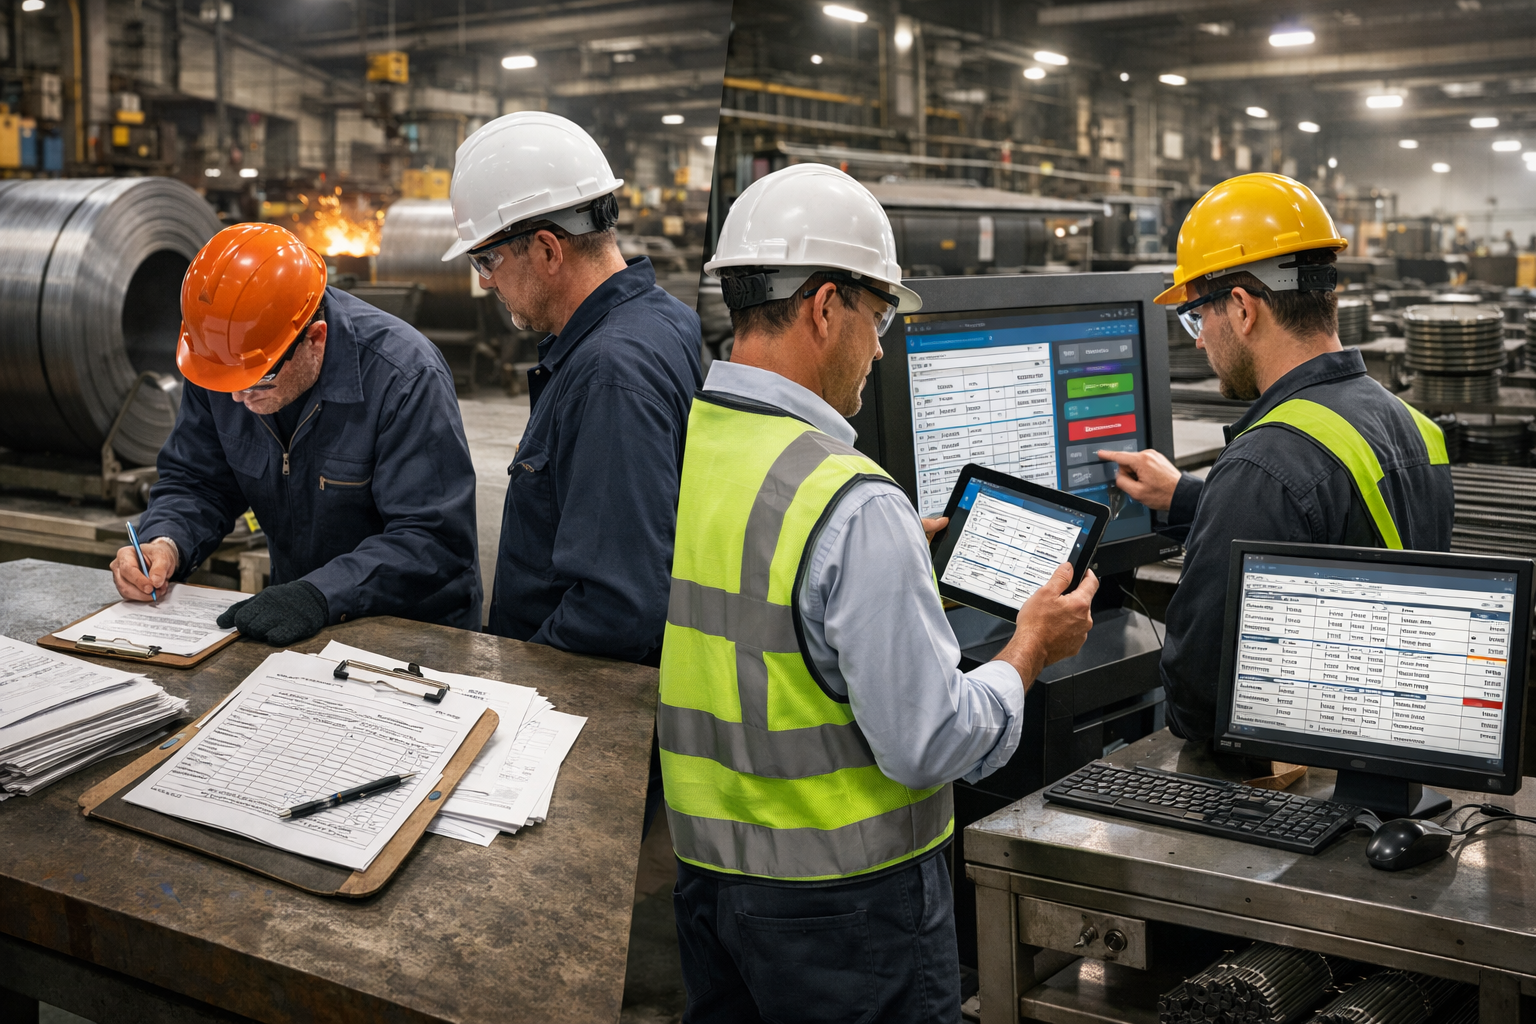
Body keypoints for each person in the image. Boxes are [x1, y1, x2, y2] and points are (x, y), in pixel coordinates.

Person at [661, 164, 1099, 1023]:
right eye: (881, 314)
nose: (884, 343)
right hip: (847, 919)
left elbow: (755, 618)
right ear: (827, 307)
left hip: (711, 891)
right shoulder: (852, 503)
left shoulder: (694, 441)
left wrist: (875, 583)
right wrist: (1029, 648)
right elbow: (931, 744)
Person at [1099, 173, 1455, 744]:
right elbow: (1335, 525)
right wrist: (1191, 497)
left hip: (1299, 770)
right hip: (1386, 748)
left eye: (1197, 316)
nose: (1198, 340)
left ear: (1241, 308)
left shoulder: (1264, 464)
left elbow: (1200, 694)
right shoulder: (1412, 425)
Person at [112, 222, 480, 644]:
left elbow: (432, 538)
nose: (236, 399)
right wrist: (166, 542)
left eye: (258, 381)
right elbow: (197, 481)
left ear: (315, 339)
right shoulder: (222, 358)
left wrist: (320, 593)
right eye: (224, 382)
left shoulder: (405, 377)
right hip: (297, 618)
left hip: (414, 631)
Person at [443, 111, 702, 664]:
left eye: (488, 259)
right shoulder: (662, 319)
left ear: (548, 249)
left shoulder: (611, 375)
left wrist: (515, 682)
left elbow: (618, 609)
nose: (485, 281)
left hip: (567, 699)